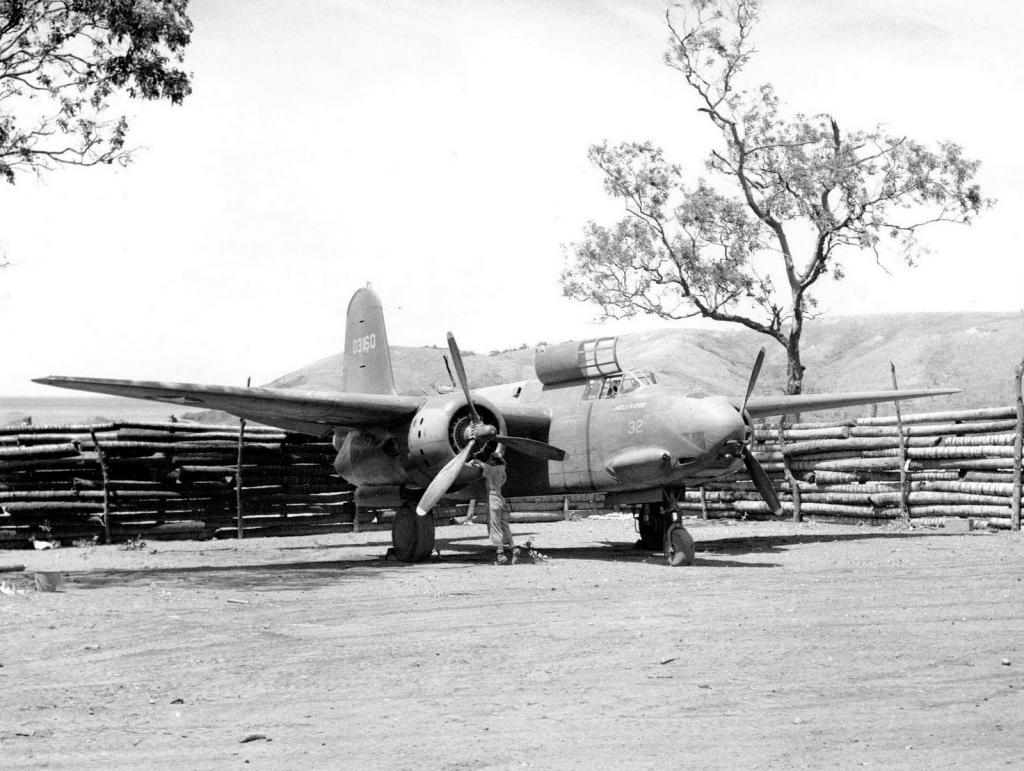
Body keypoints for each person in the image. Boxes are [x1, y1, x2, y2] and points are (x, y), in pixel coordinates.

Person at [469, 450, 516, 565]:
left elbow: (478, 462)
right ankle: (513, 548)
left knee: (495, 526)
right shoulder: (502, 469)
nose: (489, 461)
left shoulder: (491, 470)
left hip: (493, 498)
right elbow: (502, 462)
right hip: (501, 498)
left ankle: (500, 554)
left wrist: (470, 461)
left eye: (491, 459)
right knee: (505, 525)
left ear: (494, 461)